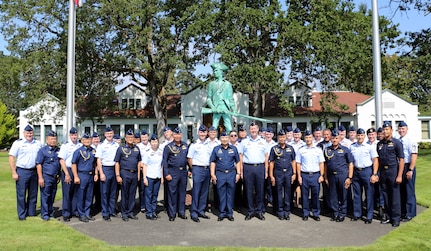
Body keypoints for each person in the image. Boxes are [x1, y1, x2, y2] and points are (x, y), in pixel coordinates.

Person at [9, 125, 42, 220]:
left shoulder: (38, 143)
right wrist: (14, 172)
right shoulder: (18, 143)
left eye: (31, 133)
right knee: (21, 194)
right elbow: (11, 157)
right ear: (24, 133)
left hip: (34, 171)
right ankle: (22, 215)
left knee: (33, 193)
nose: (29, 134)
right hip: (22, 171)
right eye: (27, 133)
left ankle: (31, 213)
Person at [238, 122, 269, 221]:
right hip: (248, 168)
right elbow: (241, 157)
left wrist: (266, 171)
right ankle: (250, 211)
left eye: (255, 128)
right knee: (249, 190)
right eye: (251, 129)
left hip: (260, 167)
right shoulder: (244, 142)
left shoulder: (263, 141)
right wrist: (241, 171)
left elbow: (266, 157)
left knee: (260, 190)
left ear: (258, 129)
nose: (253, 130)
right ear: (249, 130)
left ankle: (259, 211)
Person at [377, 121, 405, 227]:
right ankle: (388, 217)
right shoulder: (380, 144)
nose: (385, 131)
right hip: (383, 172)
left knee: (395, 196)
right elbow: (378, 160)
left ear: (391, 130)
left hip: (393, 171)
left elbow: (401, 160)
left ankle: (396, 218)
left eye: (387, 129)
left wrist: (399, 175)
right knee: (385, 195)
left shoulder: (396, 143)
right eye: (384, 129)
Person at [323, 130, 354, 222]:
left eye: (336, 138)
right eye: (333, 138)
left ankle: (342, 213)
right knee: (333, 196)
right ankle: (335, 213)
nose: (334, 140)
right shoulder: (327, 150)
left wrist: (349, 177)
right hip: (331, 176)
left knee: (343, 195)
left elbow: (350, 164)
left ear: (340, 139)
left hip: (343, 175)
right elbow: (325, 165)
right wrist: (325, 177)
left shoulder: (345, 150)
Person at [350, 128, 379, 224]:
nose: (360, 137)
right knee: (357, 194)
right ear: (356, 136)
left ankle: (369, 215)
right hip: (356, 172)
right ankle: (357, 214)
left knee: (369, 193)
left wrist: (374, 174)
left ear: (364, 136)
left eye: (362, 135)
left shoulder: (369, 147)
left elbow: (375, 160)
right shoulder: (352, 146)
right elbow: (350, 162)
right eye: (358, 135)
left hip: (366, 171)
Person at [210, 131, 240, 221]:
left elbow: (238, 161)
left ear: (229, 139)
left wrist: (238, 173)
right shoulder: (216, 149)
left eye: (226, 138)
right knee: (221, 194)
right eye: (222, 138)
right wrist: (212, 174)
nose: (224, 139)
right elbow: (212, 162)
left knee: (230, 194)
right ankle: (222, 213)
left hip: (231, 174)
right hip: (220, 174)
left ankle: (229, 213)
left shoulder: (234, 149)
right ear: (220, 139)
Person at [296, 130, 325, 221]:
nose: (308, 139)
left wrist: (321, 175)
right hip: (304, 175)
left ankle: (316, 213)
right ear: (304, 139)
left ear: (312, 138)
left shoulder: (318, 150)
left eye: (309, 137)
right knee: (305, 195)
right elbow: (298, 164)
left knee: (315, 195)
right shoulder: (301, 150)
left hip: (315, 175)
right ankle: (305, 213)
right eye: (306, 137)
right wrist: (299, 176)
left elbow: (321, 163)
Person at [162, 127, 189, 221]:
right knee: (172, 193)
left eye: (179, 134)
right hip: (173, 172)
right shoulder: (168, 147)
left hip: (183, 172)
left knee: (182, 193)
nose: (177, 136)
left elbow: (188, 159)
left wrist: (189, 170)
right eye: (176, 134)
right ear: (173, 135)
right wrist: (166, 173)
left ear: (181, 135)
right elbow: (164, 162)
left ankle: (181, 212)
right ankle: (172, 213)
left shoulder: (185, 145)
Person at [269, 129, 296, 220]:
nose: (282, 138)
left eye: (283, 137)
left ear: (286, 137)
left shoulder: (290, 148)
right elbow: (271, 163)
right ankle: (280, 211)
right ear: (278, 138)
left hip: (288, 173)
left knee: (288, 193)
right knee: (278, 193)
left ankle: (287, 211)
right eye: (280, 137)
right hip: (278, 173)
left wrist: (294, 173)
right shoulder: (274, 149)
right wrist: (271, 176)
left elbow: (293, 161)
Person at [115, 129, 141, 221]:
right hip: (124, 173)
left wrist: (138, 174)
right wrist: (118, 175)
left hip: (134, 173)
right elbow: (117, 162)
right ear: (125, 138)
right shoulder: (121, 149)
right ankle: (124, 213)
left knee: (132, 194)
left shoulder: (136, 149)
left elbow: (138, 162)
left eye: (132, 137)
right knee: (125, 193)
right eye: (129, 137)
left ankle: (130, 212)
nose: (130, 139)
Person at [187, 125, 212, 222]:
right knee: (196, 191)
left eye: (204, 132)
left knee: (204, 192)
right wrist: (194, 169)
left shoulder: (209, 144)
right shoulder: (194, 145)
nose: (202, 134)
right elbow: (190, 158)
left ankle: (201, 211)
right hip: (197, 169)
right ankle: (194, 212)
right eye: (201, 132)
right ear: (198, 133)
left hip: (207, 169)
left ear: (207, 133)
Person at [71, 132, 97, 223]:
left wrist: (96, 174)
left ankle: (87, 213)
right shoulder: (78, 151)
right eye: (85, 140)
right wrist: (76, 176)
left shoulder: (93, 150)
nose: (87, 141)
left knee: (89, 196)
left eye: (89, 140)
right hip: (82, 175)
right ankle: (81, 214)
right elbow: (74, 164)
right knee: (81, 195)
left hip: (91, 175)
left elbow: (95, 163)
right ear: (82, 141)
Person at [95, 127, 120, 222]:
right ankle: (105, 213)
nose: (109, 135)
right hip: (105, 169)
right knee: (105, 192)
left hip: (114, 169)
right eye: (108, 134)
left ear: (113, 133)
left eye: (111, 134)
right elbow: (98, 160)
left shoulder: (116, 145)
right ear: (105, 135)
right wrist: (101, 173)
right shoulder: (101, 145)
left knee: (113, 192)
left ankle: (112, 210)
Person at [36, 130, 61, 221]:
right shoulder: (43, 151)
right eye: (51, 139)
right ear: (47, 140)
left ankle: (50, 212)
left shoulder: (58, 150)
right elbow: (39, 164)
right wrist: (40, 177)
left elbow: (59, 163)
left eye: (55, 139)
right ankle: (45, 214)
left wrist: (59, 174)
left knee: (52, 195)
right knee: (45, 195)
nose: (53, 141)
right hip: (46, 176)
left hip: (55, 177)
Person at [58, 127, 81, 222]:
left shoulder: (80, 145)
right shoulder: (65, 146)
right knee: (67, 193)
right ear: (70, 135)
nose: (74, 136)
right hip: (68, 170)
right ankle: (66, 213)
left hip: (77, 170)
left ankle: (74, 210)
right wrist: (66, 174)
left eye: (75, 135)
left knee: (76, 192)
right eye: (72, 135)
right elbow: (62, 160)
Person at [206, 62, 236, 132]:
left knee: (229, 127)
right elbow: (208, 99)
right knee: (214, 127)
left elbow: (230, 98)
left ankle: (229, 140)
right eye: (214, 71)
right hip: (216, 108)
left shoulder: (228, 84)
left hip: (225, 107)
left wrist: (234, 109)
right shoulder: (211, 84)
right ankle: (213, 141)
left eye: (216, 70)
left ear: (221, 72)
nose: (214, 72)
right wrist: (212, 107)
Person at [398, 121, 418, 221]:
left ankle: (411, 213)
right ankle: (403, 212)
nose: (401, 130)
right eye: (400, 129)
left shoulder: (411, 140)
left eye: (403, 129)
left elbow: (414, 155)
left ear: (407, 129)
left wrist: (410, 169)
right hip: (400, 166)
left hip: (408, 166)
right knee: (401, 191)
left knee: (409, 191)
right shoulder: (398, 140)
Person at [142, 134, 163, 220]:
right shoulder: (147, 152)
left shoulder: (160, 152)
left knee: (155, 195)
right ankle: (149, 212)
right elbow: (145, 166)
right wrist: (144, 178)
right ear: (150, 143)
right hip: (149, 176)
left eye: (156, 141)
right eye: (153, 141)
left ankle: (154, 211)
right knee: (148, 195)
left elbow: (161, 166)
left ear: (158, 142)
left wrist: (162, 177)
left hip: (157, 176)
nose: (154, 143)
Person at [136, 130, 150, 214]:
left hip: (150, 170)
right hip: (141, 170)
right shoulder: (138, 146)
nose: (144, 139)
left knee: (149, 189)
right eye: (142, 137)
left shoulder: (151, 145)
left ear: (148, 137)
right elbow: (137, 159)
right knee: (142, 189)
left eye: (145, 137)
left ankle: (149, 204)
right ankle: (142, 205)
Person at [91, 131, 102, 214]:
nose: (96, 140)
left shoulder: (101, 147)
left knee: (99, 191)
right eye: (94, 138)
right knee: (91, 191)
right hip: (92, 172)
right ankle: (91, 207)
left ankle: (98, 206)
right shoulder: (90, 148)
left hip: (100, 171)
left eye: (97, 138)